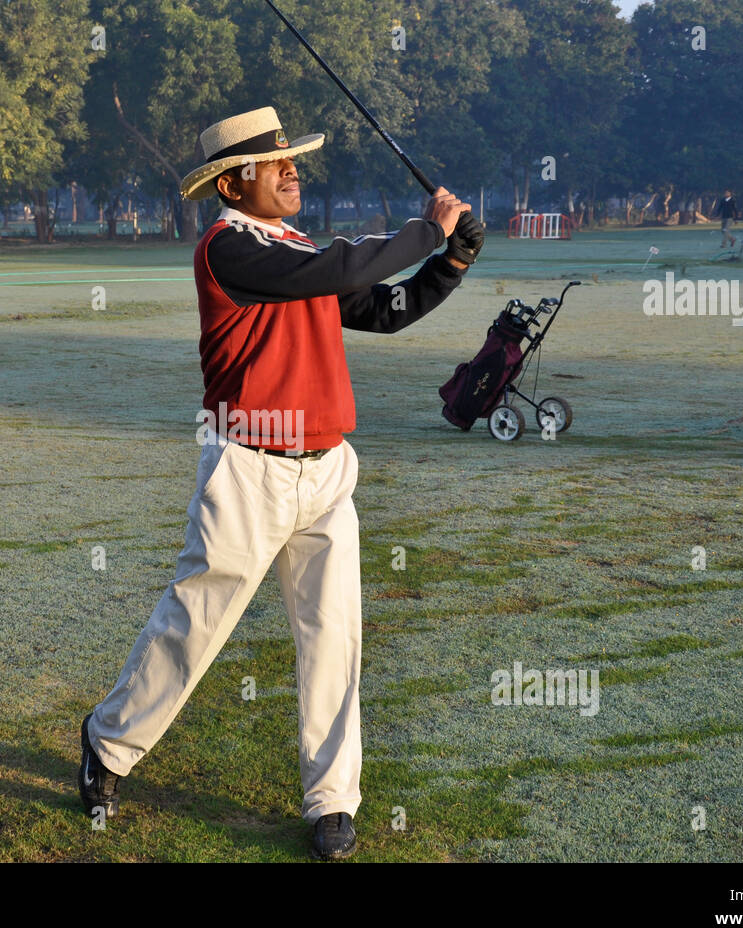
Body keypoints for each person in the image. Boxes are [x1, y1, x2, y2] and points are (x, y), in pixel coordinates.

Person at [76, 106, 483, 860]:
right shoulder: (228, 248)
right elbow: (335, 269)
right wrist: (424, 231)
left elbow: (383, 309)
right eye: (276, 160)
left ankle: (333, 801)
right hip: (248, 470)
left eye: (292, 156)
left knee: (334, 636)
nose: (292, 168)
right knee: (195, 624)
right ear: (234, 182)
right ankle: (107, 743)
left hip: (327, 469)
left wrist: (447, 265)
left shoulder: (296, 247)